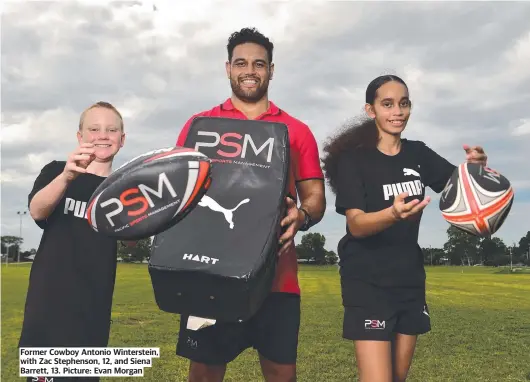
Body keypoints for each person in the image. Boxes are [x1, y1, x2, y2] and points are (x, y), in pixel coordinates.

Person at [174, 27, 326, 382]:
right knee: (204, 374)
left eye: (259, 64)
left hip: (277, 280)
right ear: (227, 68)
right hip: (209, 276)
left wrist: (302, 216)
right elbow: (177, 189)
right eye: (241, 62)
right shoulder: (200, 125)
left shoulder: (296, 130)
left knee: (281, 375)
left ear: (271, 70)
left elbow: (315, 197)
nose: (250, 70)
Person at [321, 75, 488, 382]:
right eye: (387, 104)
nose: (397, 111)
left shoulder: (418, 154)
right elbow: (356, 224)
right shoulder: (353, 161)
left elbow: (462, 192)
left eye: (404, 103)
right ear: (371, 110)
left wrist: (476, 169)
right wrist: (392, 214)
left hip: (409, 279)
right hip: (367, 281)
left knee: (397, 378)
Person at [19, 101, 129, 382]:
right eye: (94, 129)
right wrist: (68, 176)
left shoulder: (124, 188)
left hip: (94, 313)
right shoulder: (57, 170)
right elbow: (37, 210)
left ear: (122, 139)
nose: (103, 135)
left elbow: (132, 239)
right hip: (49, 311)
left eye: (111, 129)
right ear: (80, 137)